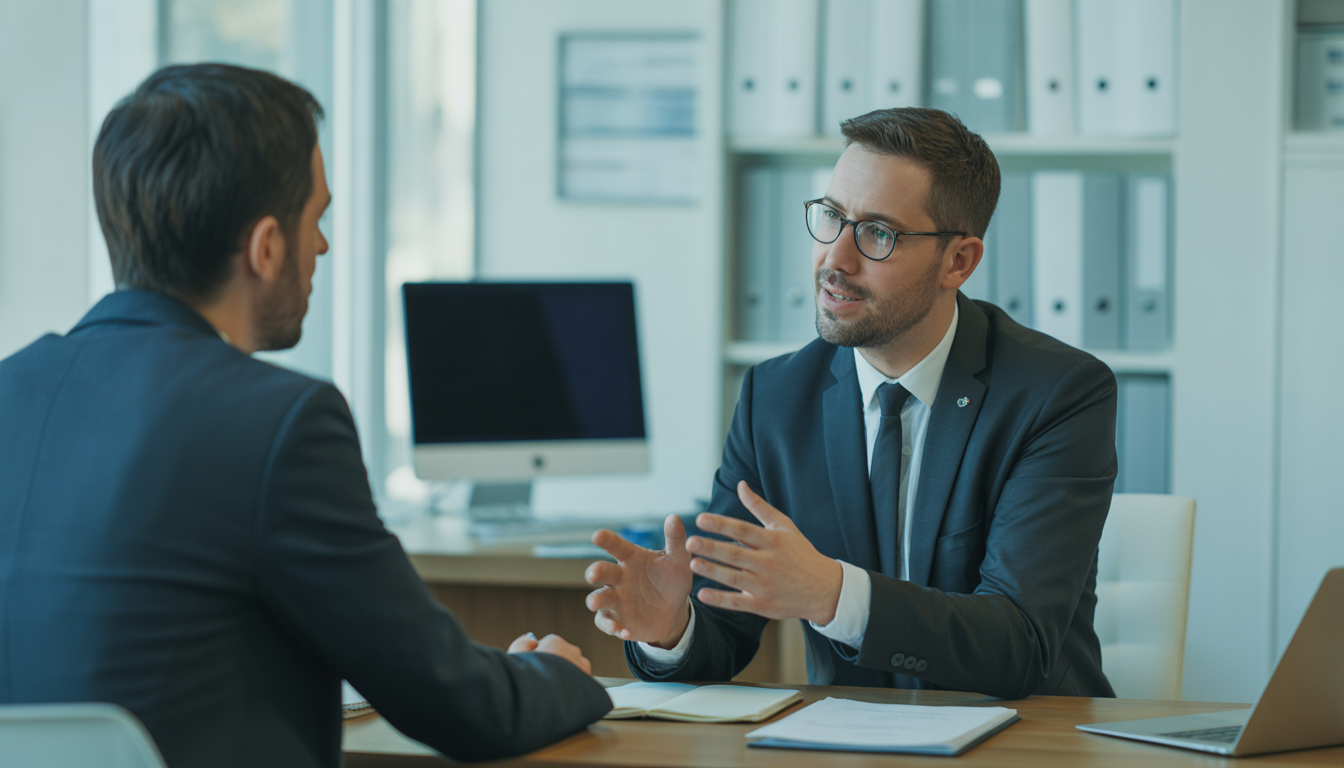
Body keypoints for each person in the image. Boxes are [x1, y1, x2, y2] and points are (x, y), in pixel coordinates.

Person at [0, 64, 610, 768]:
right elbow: (464, 707)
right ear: (265, 248)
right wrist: (558, 674)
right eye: (315, 219)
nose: (322, 246)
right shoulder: (278, 422)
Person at [584, 108, 1117, 700]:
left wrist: (833, 594)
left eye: (878, 233)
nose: (835, 260)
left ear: (958, 261)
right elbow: (723, 632)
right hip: (850, 746)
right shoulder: (776, 399)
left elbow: (1020, 644)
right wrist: (671, 629)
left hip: (1031, 745)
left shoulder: (1058, 393)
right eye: (833, 217)